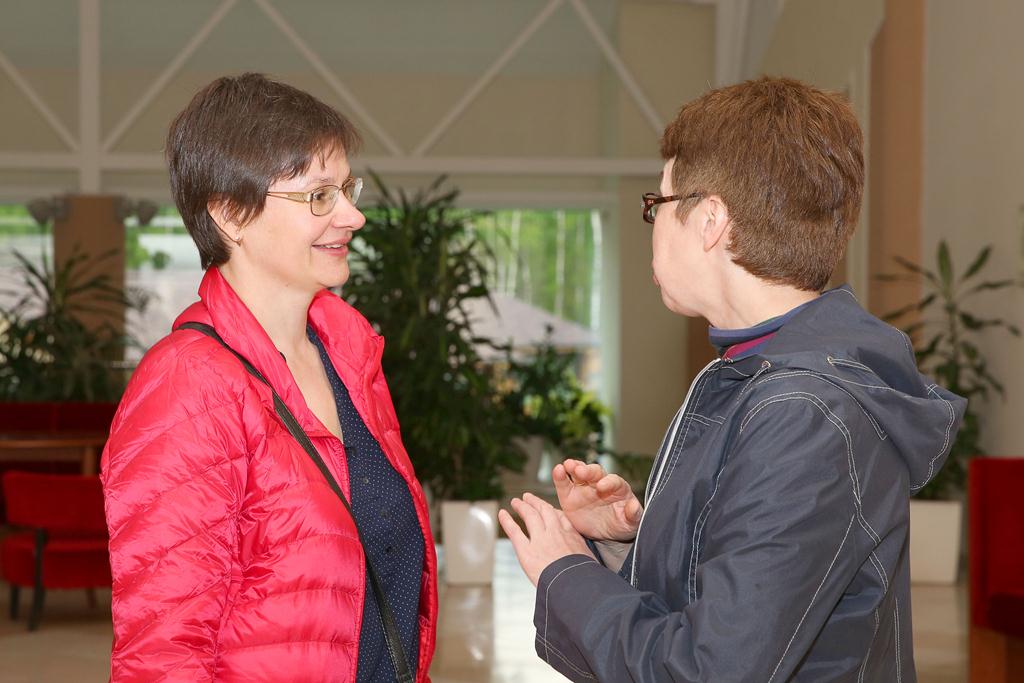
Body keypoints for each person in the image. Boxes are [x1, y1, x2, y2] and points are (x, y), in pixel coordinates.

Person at [498, 76, 966, 681]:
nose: (652, 224)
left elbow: (708, 669)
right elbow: (733, 607)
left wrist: (565, 574)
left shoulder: (803, 412)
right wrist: (623, 547)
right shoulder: (755, 374)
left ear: (710, 220)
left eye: (657, 204)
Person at [101, 73, 437, 682]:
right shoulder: (190, 384)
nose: (353, 216)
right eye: (319, 196)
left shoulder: (348, 358)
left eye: (347, 189)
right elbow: (164, 653)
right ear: (231, 213)